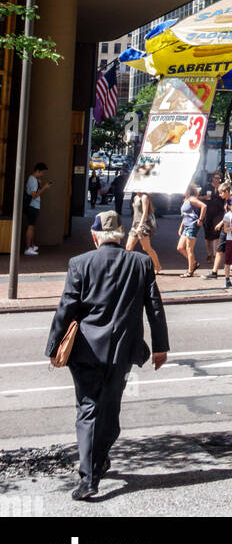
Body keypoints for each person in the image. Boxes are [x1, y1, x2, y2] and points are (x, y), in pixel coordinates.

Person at [45, 209, 168, 500]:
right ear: (121, 233)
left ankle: (90, 476)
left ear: (94, 236)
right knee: (110, 411)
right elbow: (155, 306)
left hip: (86, 350)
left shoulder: (80, 263)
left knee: (88, 409)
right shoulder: (141, 262)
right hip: (123, 352)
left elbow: (67, 308)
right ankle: (97, 460)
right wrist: (161, 346)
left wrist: (52, 347)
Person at [125, 192, 160, 274]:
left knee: (146, 248)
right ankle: (128, 267)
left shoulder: (144, 197)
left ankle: (158, 266)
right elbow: (135, 212)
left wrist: (140, 225)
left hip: (143, 224)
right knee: (128, 247)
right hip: (135, 224)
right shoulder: (135, 197)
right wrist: (133, 224)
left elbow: (145, 212)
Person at [204, 184, 232, 279]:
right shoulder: (227, 200)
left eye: (221, 193)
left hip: (229, 229)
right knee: (220, 250)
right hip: (226, 229)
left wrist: (220, 223)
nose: (220, 195)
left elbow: (231, 214)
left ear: (226, 192)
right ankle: (214, 272)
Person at [176, 184, 207, 277]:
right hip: (186, 226)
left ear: (189, 191)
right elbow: (186, 215)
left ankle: (190, 271)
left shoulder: (192, 199)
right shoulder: (185, 200)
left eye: (185, 190)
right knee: (180, 248)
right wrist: (181, 227)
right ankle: (194, 263)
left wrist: (200, 219)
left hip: (192, 225)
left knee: (189, 249)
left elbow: (204, 206)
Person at [23, 162, 51, 256]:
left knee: (32, 226)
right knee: (31, 227)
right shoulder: (33, 180)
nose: (43, 174)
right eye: (42, 172)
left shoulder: (33, 179)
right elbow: (34, 195)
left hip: (33, 206)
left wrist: (39, 185)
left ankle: (31, 246)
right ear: (38, 171)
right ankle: (27, 248)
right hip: (32, 206)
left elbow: (34, 192)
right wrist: (44, 188)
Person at [202, 172, 227, 267]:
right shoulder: (207, 187)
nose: (217, 180)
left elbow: (225, 199)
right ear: (212, 178)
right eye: (216, 178)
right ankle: (209, 254)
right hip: (208, 213)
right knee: (208, 236)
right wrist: (205, 197)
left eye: (219, 178)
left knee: (216, 234)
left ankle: (215, 254)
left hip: (218, 213)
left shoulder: (221, 188)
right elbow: (199, 198)